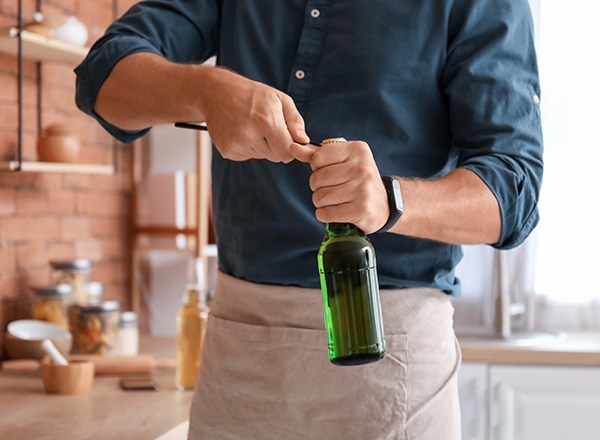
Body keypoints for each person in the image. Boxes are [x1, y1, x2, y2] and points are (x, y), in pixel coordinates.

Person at [75, 0, 543, 438]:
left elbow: (513, 191)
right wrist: (206, 89)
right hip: (238, 349)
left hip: (390, 355)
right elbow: (103, 77)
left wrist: (388, 198)